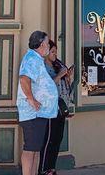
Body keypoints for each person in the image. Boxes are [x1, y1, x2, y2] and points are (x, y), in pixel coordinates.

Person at [17, 31, 58, 175]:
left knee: (35, 149)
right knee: (30, 148)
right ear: (41, 44)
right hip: (33, 113)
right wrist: (31, 99)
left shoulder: (37, 59)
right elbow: (24, 79)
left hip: (40, 112)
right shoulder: (32, 59)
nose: (48, 46)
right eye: (47, 43)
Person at [38, 40, 74, 175]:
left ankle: (51, 168)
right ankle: (43, 169)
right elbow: (45, 87)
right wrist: (59, 75)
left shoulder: (57, 65)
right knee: (48, 139)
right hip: (49, 107)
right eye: (52, 52)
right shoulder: (42, 67)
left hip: (61, 106)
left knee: (57, 138)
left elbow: (65, 87)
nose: (55, 55)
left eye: (55, 52)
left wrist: (67, 77)